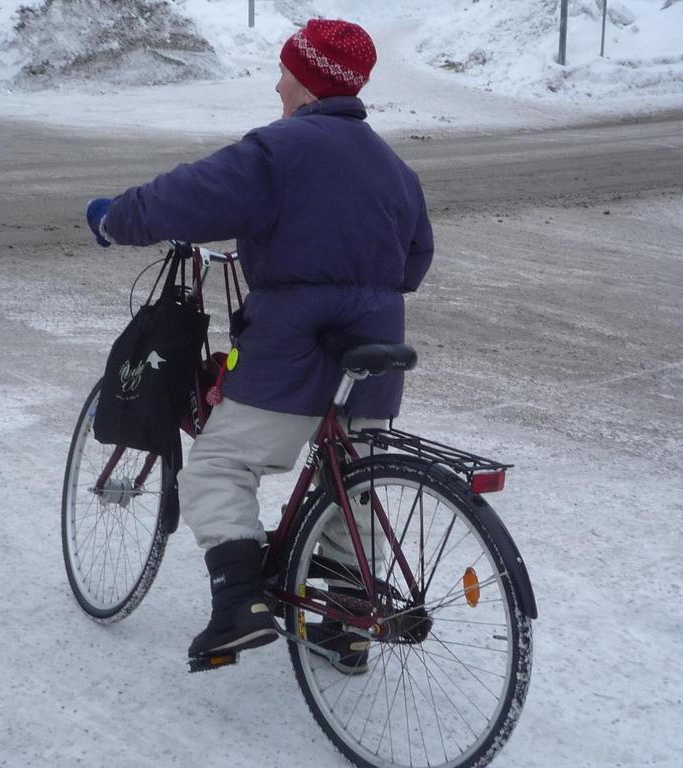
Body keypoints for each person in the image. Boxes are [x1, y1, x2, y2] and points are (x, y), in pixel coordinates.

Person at [85, 18, 433, 664]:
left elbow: (187, 194)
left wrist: (116, 218)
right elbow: (414, 263)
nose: (277, 86)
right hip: (376, 359)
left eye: (284, 74)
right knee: (351, 482)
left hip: (296, 351)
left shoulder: (281, 151)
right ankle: (347, 624)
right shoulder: (395, 168)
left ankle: (238, 603)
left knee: (218, 465)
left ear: (306, 83)